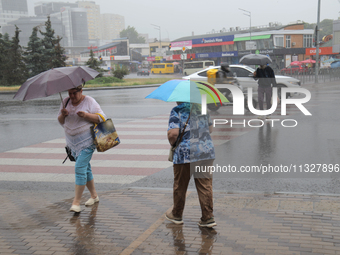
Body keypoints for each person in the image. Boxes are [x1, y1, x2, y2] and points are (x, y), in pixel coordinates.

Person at [166, 102, 216, 228]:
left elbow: (173, 134)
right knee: (205, 185)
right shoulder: (202, 108)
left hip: (185, 154)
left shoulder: (177, 110)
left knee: (180, 185)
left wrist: (173, 143)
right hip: (206, 152)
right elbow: (210, 129)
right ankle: (208, 217)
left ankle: (177, 215)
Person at [58, 85, 106, 213]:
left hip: (87, 142)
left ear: (81, 91)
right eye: (70, 93)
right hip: (72, 143)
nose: (72, 96)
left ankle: (76, 202)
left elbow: (102, 118)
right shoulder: (65, 102)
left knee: (79, 168)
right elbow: (60, 121)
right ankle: (94, 196)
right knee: (86, 168)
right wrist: (63, 115)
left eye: (75, 93)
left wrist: (86, 115)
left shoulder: (89, 101)